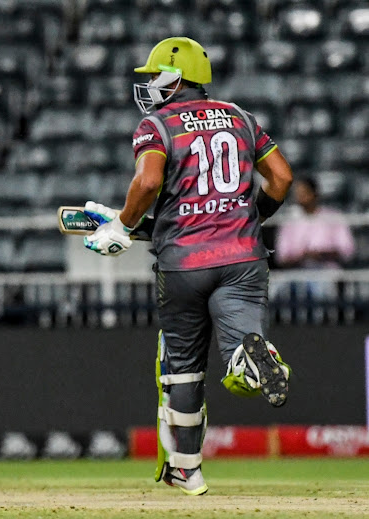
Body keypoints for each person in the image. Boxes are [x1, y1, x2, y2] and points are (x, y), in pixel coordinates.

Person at [82, 37, 293, 495]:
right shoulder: (242, 118)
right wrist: (251, 216)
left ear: (177, 79)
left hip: (183, 262)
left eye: (153, 76)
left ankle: (187, 467)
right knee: (239, 348)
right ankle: (249, 357)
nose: (148, 85)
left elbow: (150, 179)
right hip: (242, 255)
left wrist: (121, 225)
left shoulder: (156, 124)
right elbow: (282, 177)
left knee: (183, 369)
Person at [275, 177, 355, 269]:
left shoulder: (334, 217)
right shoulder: (289, 221)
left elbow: (347, 251)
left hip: (327, 269)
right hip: (297, 272)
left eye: (304, 192)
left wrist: (322, 254)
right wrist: (303, 256)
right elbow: (282, 257)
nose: (300, 196)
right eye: (298, 193)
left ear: (314, 193)